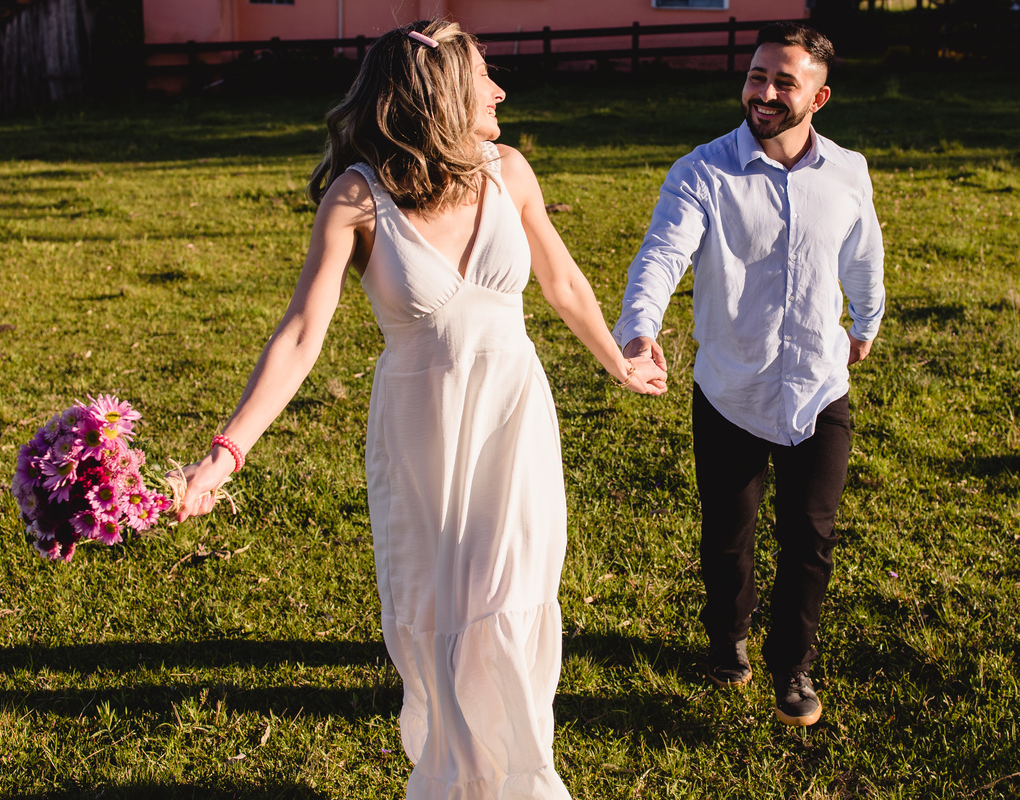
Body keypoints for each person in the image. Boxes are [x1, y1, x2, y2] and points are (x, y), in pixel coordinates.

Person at [174, 19, 666, 799]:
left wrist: (620, 364)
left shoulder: (510, 172)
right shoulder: (357, 199)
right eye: (483, 79)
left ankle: (525, 778)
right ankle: (455, 778)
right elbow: (302, 334)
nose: (501, 90)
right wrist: (224, 454)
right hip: (421, 431)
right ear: (438, 96)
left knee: (511, 597)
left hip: (513, 417)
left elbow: (564, 284)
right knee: (440, 615)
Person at [613, 21, 884, 727]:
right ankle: (727, 637)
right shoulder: (701, 171)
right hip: (729, 389)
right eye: (756, 76)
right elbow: (660, 257)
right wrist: (640, 328)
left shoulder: (849, 172)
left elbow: (863, 257)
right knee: (727, 535)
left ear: (819, 97)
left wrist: (865, 325)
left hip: (819, 387)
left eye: (783, 82)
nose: (763, 93)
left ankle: (791, 666)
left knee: (810, 537)